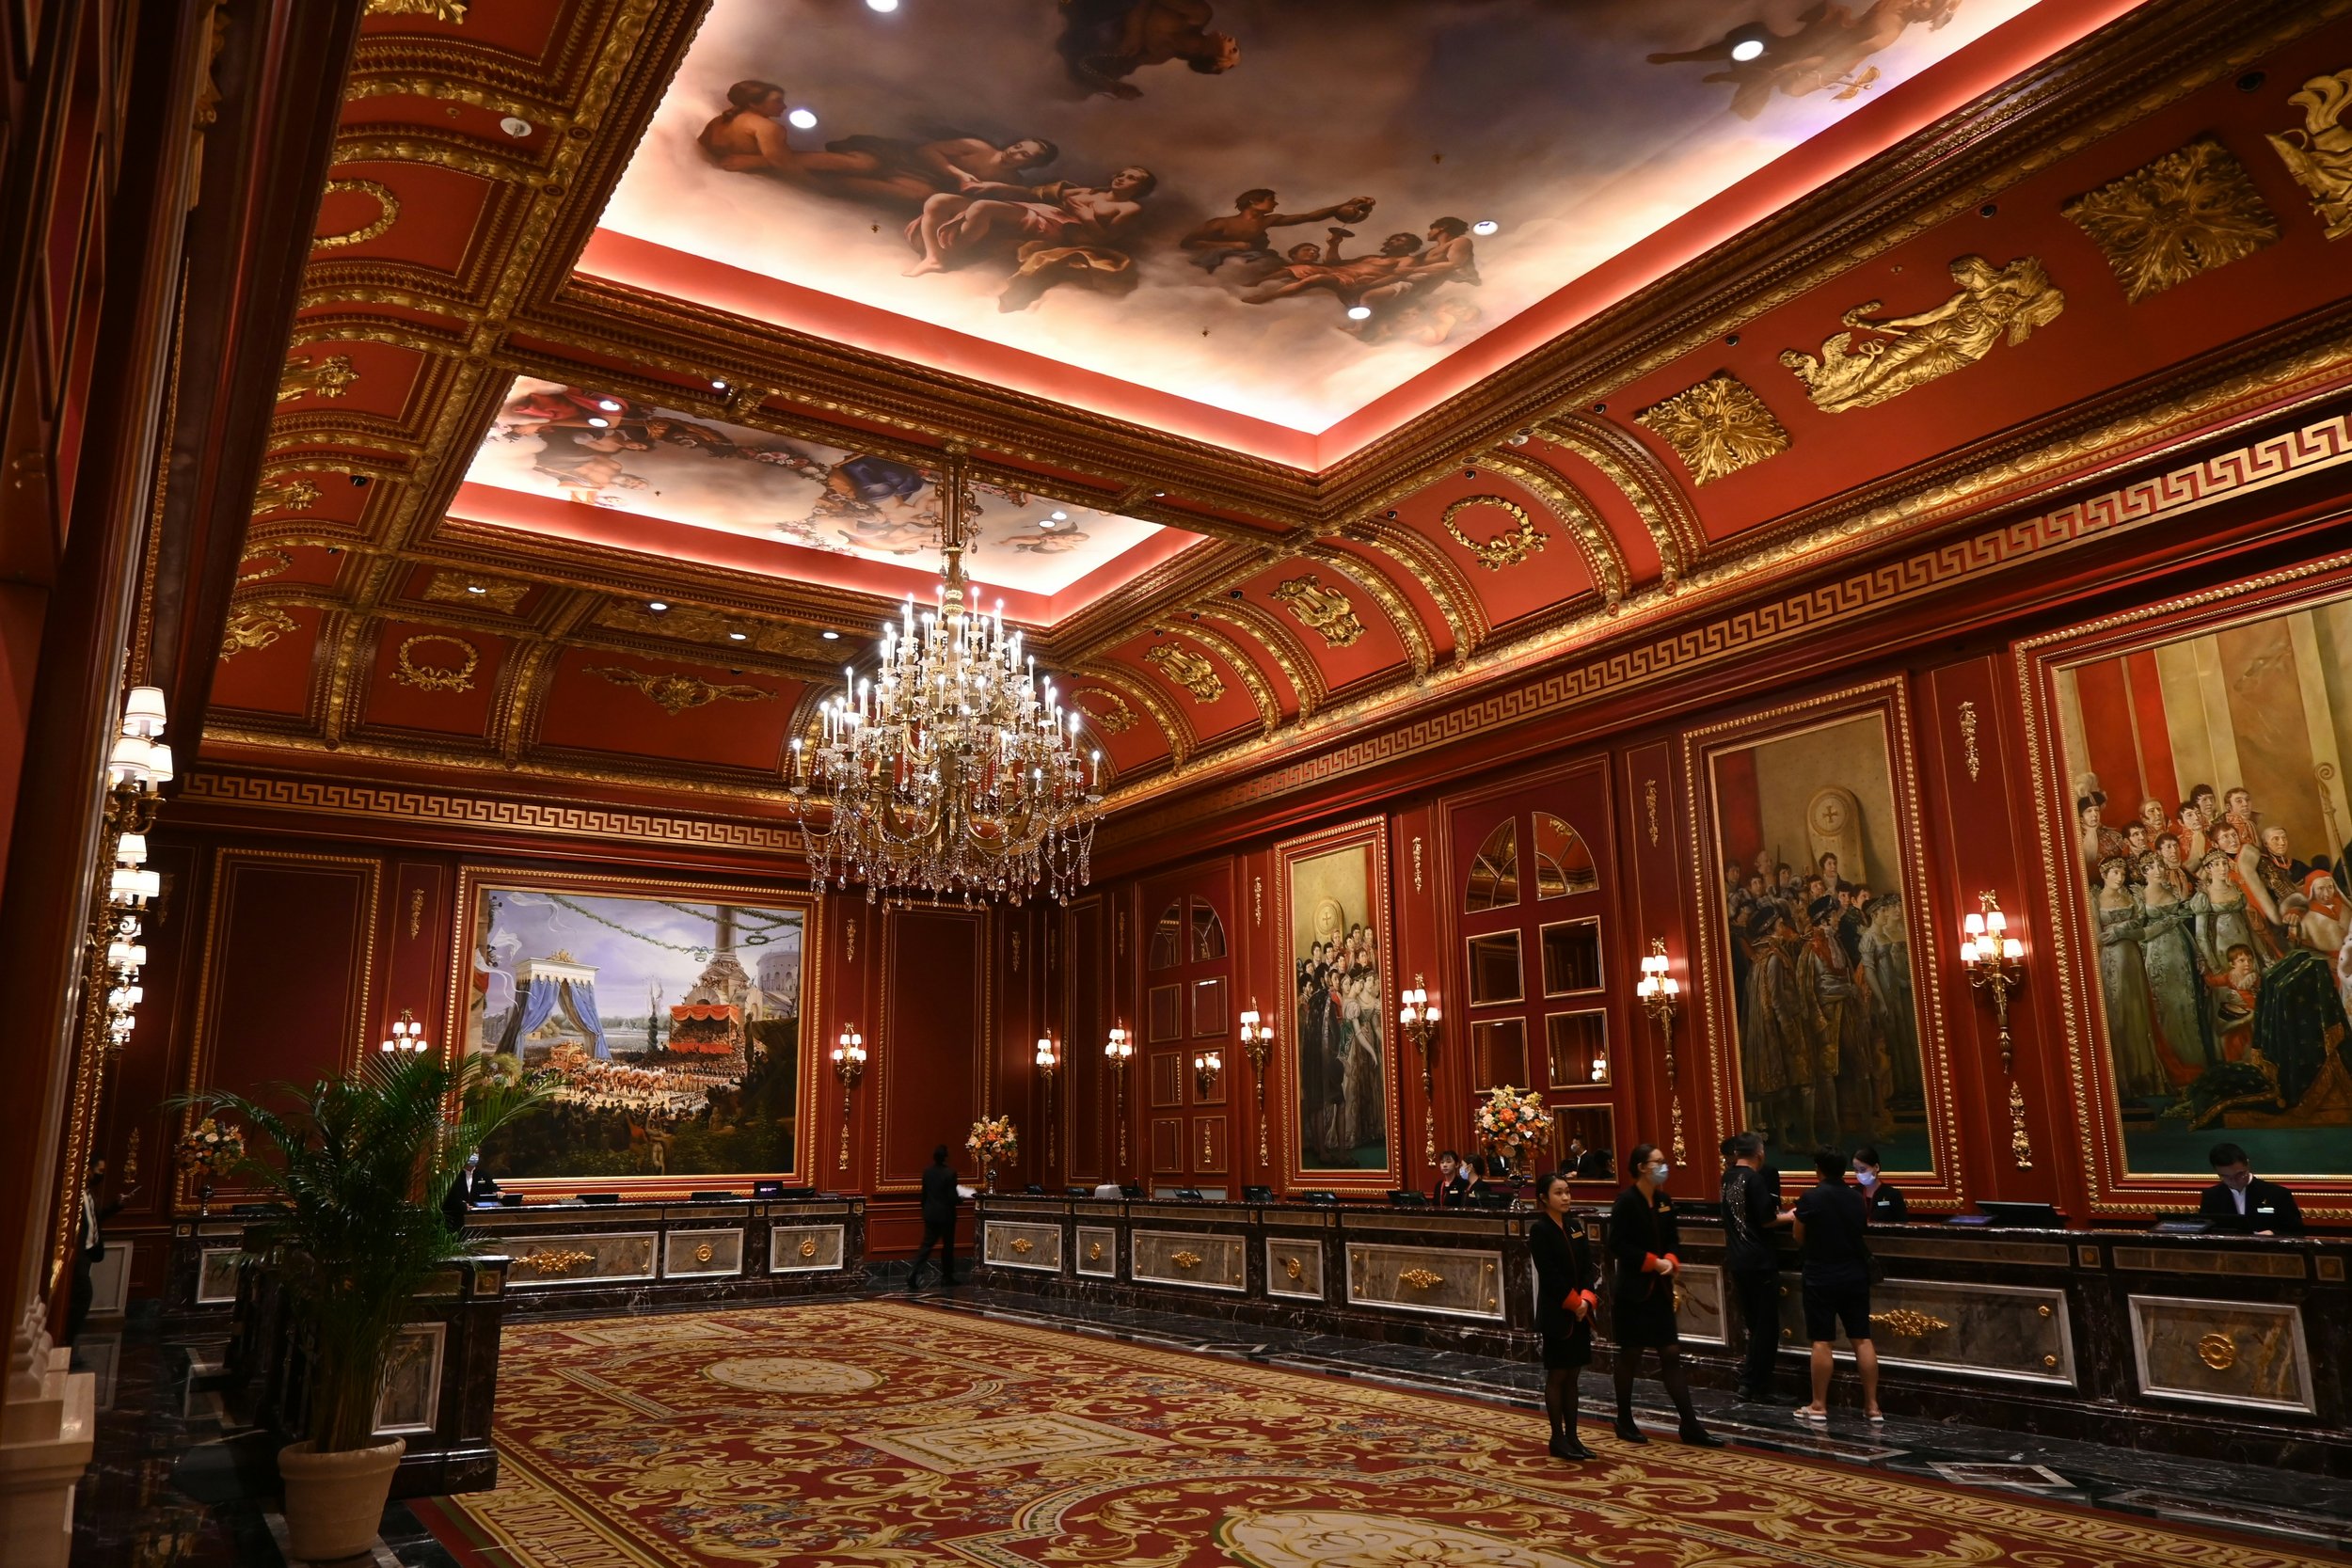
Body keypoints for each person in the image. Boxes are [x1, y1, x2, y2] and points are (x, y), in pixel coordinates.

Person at [1606, 1144, 1722, 1447]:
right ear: (1642, 1167)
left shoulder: (1664, 1201)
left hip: (1660, 1291)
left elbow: (1672, 1238)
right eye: (1658, 1162)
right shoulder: (1626, 1202)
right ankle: (1624, 1419)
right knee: (1631, 1355)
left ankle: (1690, 1424)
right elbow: (1617, 1244)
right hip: (1633, 1292)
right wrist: (1651, 1262)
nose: (1663, 1167)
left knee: (1671, 1353)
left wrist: (1670, 1258)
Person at [1792, 1148, 1882, 1424]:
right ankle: (1872, 1407)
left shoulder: (1811, 1197)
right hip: (1854, 1274)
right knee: (1862, 1338)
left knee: (1822, 1340)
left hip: (1821, 1275)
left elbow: (1798, 1236)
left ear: (1818, 1169)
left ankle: (1819, 1406)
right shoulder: (1856, 1197)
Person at [1530, 1171, 1599, 1461]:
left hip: (1580, 1312)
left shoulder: (1575, 1226)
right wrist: (1574, 1304)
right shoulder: (1540, 1230)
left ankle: (1573, 1436)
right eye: (1559, 1193)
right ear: (1544, 1198)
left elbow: (1587, 1267)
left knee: (1574, 1375)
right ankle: (1557, 1438)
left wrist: (1586, 1299)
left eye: (1568, 1192)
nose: (1566, 1197)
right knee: (1558, 1374)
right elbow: (1549, 1275)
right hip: (1558, 1313)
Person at [1720, 1131, 1792, 1404]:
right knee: (1766, 1327)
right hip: (1759, 1261)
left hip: (1737, 1259)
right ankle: (1757, 1385)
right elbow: (1767, 1220)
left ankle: (1749, 1383)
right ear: (1760, 1154)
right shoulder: (1755, 1179)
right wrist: (1792, 1216)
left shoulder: (1727, 1177)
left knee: (1754, 1324)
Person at [2200, 1142, 2304, 1235]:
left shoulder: (2277, 1194)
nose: (2234, 1181)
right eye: (2226, 1176)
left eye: (2239, 1174)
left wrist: (2273, 1234)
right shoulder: (2211, 1196)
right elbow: (2204, 1232)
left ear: (2247, 1165)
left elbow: (2297, 1232)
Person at [911, 1144, 962, 1288]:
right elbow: (952, 1197)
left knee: (926, 1245)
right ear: (946, 1157)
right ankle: (947, 1276)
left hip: (930, 1213)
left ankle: (913, 1271)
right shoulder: (950, 1173)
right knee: (948, 1246)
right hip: (946, 1215)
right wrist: (960, 1200)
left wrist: (925, 1209)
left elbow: (924, 1194)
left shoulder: (927, 1172)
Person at [441, 1150, 499, 1230]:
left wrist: (498, 1191)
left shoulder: (483, 1174)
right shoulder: (453, 1175)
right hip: (456, 1216)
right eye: (471, 1153)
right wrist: (461, 1205)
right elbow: (450, 1196)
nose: (474, 1156)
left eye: (476, 1153)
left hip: (477, 1217)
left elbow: (493, 1187)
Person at [1851, 1146, 1906, 1223]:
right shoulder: (1853, 1193)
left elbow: (1902, 1223)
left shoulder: (1892, 1194)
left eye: (1863, 1169)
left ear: (1876, 1167)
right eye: (1856, 1170)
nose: (1859, 1174)